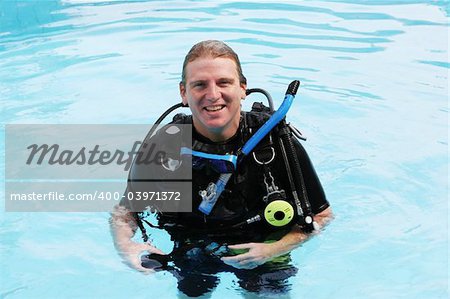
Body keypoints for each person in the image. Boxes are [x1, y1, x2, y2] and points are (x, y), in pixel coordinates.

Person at [110, 40, 332, 297]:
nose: (213, 94)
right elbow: (126, 211)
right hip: (193, 251)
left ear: (243, 89)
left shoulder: (276, 143)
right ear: (184, 93)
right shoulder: (164, 145)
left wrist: (275, 249)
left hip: (266, 251)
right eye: (200, 84)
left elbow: (321, 216)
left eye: (224, 82)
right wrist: (125, 245)